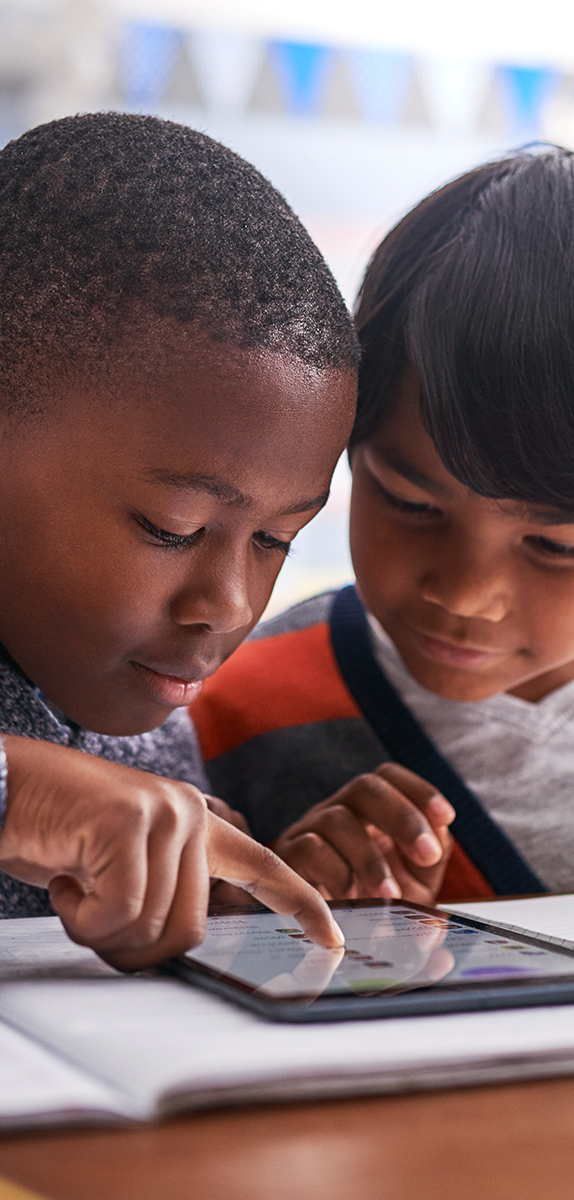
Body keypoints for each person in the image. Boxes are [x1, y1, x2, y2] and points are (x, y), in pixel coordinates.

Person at [192, 149, 574, 906]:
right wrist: (267, 921)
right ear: (348, 444)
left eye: (558, 546)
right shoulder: (224, 716)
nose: (466, 593)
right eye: (411, 503)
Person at [0, 111, 359, 966]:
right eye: (173, 529)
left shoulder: (144, 706)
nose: (229, 605)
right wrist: (22, 796)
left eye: (278, 540)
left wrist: (240, 894)